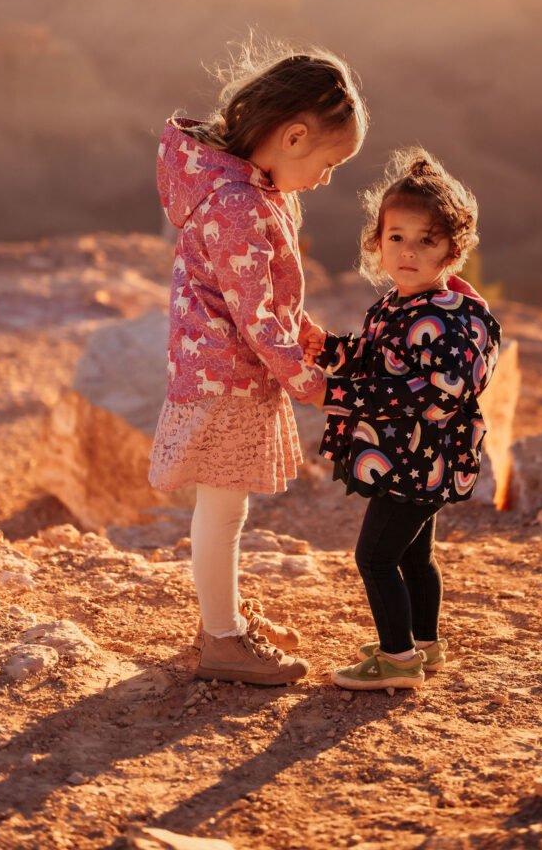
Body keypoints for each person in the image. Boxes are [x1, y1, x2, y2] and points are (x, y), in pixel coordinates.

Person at [149, 42, 366, 685]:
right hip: (224, 380)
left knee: (227, 510)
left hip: (231, 373)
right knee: (221, 512)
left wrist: (322, 344)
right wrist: (313, 384)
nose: (327, 179)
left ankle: (224, 622)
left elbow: (270, 297)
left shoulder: (258, 190)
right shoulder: (238, 204)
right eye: (328, 163)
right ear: (294, 136)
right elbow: (256, 318)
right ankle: (221, 641)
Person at [301, 150, 501, 691]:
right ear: (377, 241)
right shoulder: (398, 303)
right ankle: (424, 644)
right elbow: (377, 359)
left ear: (453, 249)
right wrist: (331, 351)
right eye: (396, 237)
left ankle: (397, 659)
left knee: (374, 557)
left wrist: (337, 392)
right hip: (409, 459)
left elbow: (437, 394)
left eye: (426, 240)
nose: (408, 251)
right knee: (415, 555)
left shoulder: (455, 317)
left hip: (423, 457)